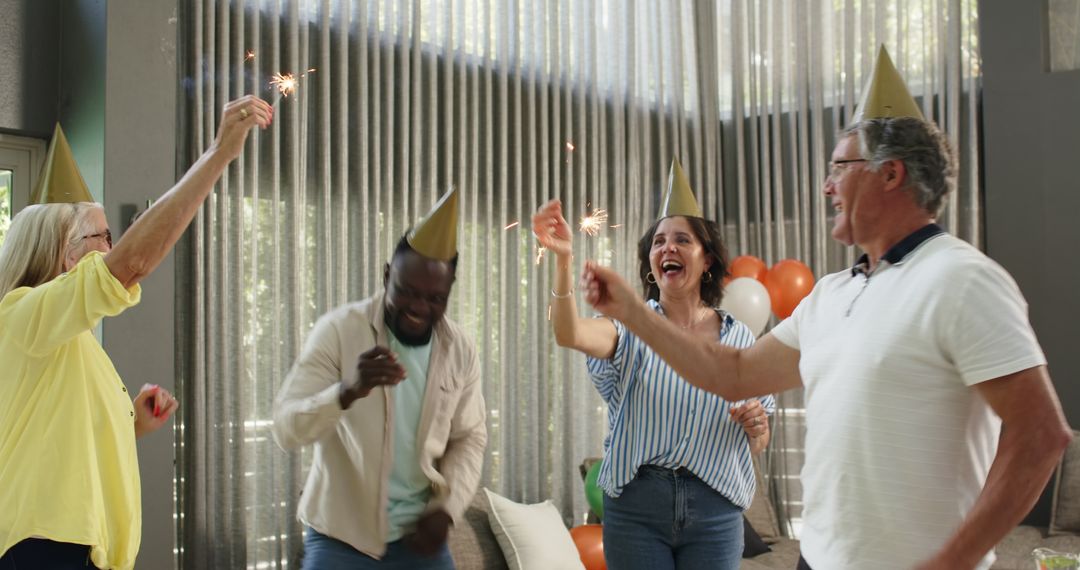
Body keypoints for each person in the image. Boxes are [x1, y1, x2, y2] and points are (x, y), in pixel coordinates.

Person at [578, 48, 1073, 570]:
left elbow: (1041, 436)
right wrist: (633, 312)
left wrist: (951, 563)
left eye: (840, 166)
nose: (827, 185)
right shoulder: (832, 294)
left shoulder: (962, 280)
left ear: (890, 175)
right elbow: (733, 372)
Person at [0, 95, 272, 570]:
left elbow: (61, 435)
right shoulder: (21, 314)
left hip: (76, 547)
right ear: (63, 253)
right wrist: (219, 154)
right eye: (103, 238)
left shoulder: (66, 337)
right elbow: (132, 263)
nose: (112, 247)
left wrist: (131, 423)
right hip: (45, 547)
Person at [532, 158, 774, 570]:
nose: (668, 248)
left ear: (707, 259)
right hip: (637, 509)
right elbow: (569, 333)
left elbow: (759, 440)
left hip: (716, 511)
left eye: (682, 240)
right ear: (651, 260)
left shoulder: (740, 339)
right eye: (659, 242)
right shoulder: (628, 328)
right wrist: (562, 261)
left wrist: (757, 426)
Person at [272, 187, 487, 570]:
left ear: (449, 292)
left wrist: (448, 509)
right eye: (406, 292)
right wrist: (345, 392)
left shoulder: (460, 350)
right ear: (387, 275)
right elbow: (286, 429)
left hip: (420, 541)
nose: (419, 308)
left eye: (435, 298)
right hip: (341, 536)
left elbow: (468, 437)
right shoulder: (338, 331)